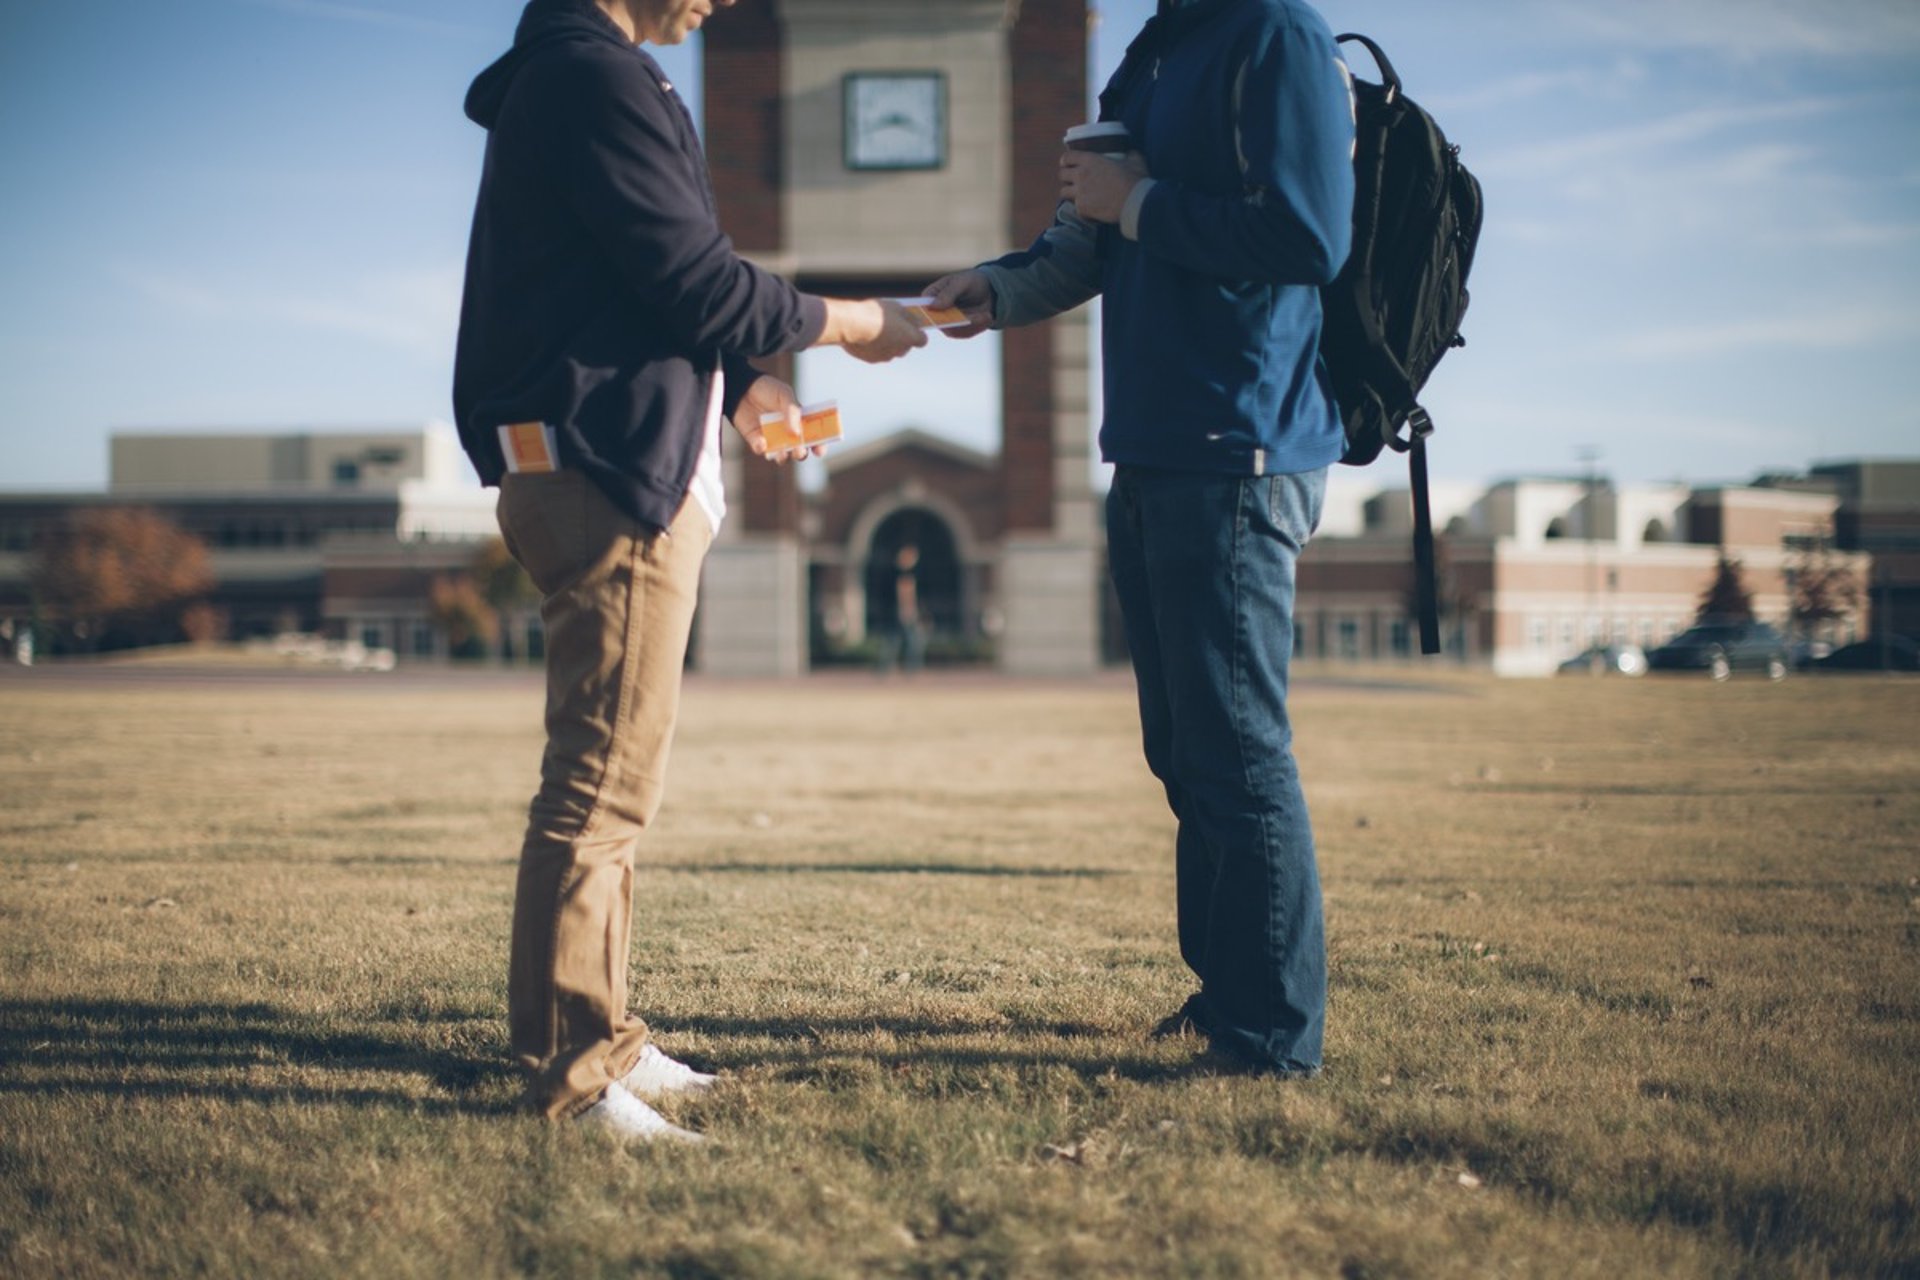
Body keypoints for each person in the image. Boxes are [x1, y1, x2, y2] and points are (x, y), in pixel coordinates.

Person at [453, 0, 925, 1142]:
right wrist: (857, 319)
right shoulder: (593, 77)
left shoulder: (584, 75)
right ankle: (572, 1075)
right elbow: (699, 278)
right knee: (599, 787)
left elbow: (649, 284)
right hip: (607, 476)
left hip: (609, 468)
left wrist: (751, 386)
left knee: (617, 784)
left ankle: (604, 1035)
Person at [927, 0, 1355, 1077]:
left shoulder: (1275, 35)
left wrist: (1143, 200)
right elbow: (1093, 241)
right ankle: (1229, 997)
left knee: (1239, 749)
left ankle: (1271, 1039)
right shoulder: (1156, 50)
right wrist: (1000, 286)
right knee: (1187, 752)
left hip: (1240, 448)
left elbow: (1311, 235)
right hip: (1155, 449)